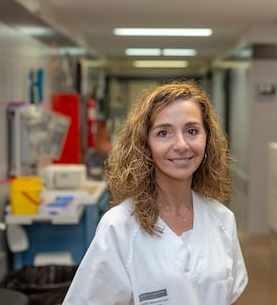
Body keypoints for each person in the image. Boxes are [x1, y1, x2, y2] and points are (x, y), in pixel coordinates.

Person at [63, 80, 248, 305]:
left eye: (191, 131)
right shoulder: (119, 227)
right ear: (145, 144)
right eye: (164, 133)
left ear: (207, 139)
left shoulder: (222, 220)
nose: (181, 144)